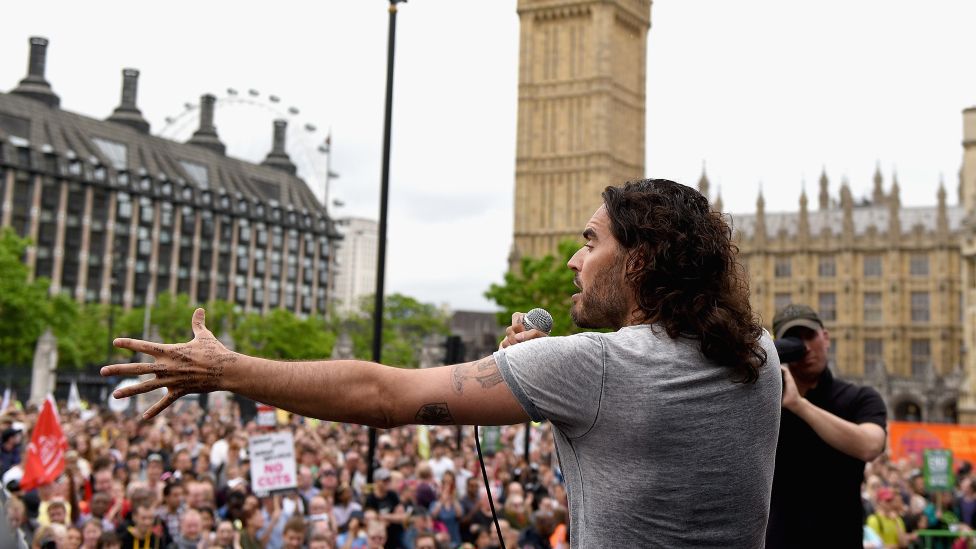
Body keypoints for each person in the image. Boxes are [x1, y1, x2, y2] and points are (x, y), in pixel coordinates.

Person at [103, 179, 782, 548]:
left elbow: (382, 395)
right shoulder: (758, 351)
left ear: (638, 260)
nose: (574, 260)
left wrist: (227, 370)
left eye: (589, 242)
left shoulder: (598, 364)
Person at [765, 304, 887, 549]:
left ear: (826, 338)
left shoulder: (859, 398)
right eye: (794, 342)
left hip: (839, 538)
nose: (806, 348)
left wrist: (799, 405)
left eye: (810, 336)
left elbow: (871, 445)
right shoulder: (766, 403)